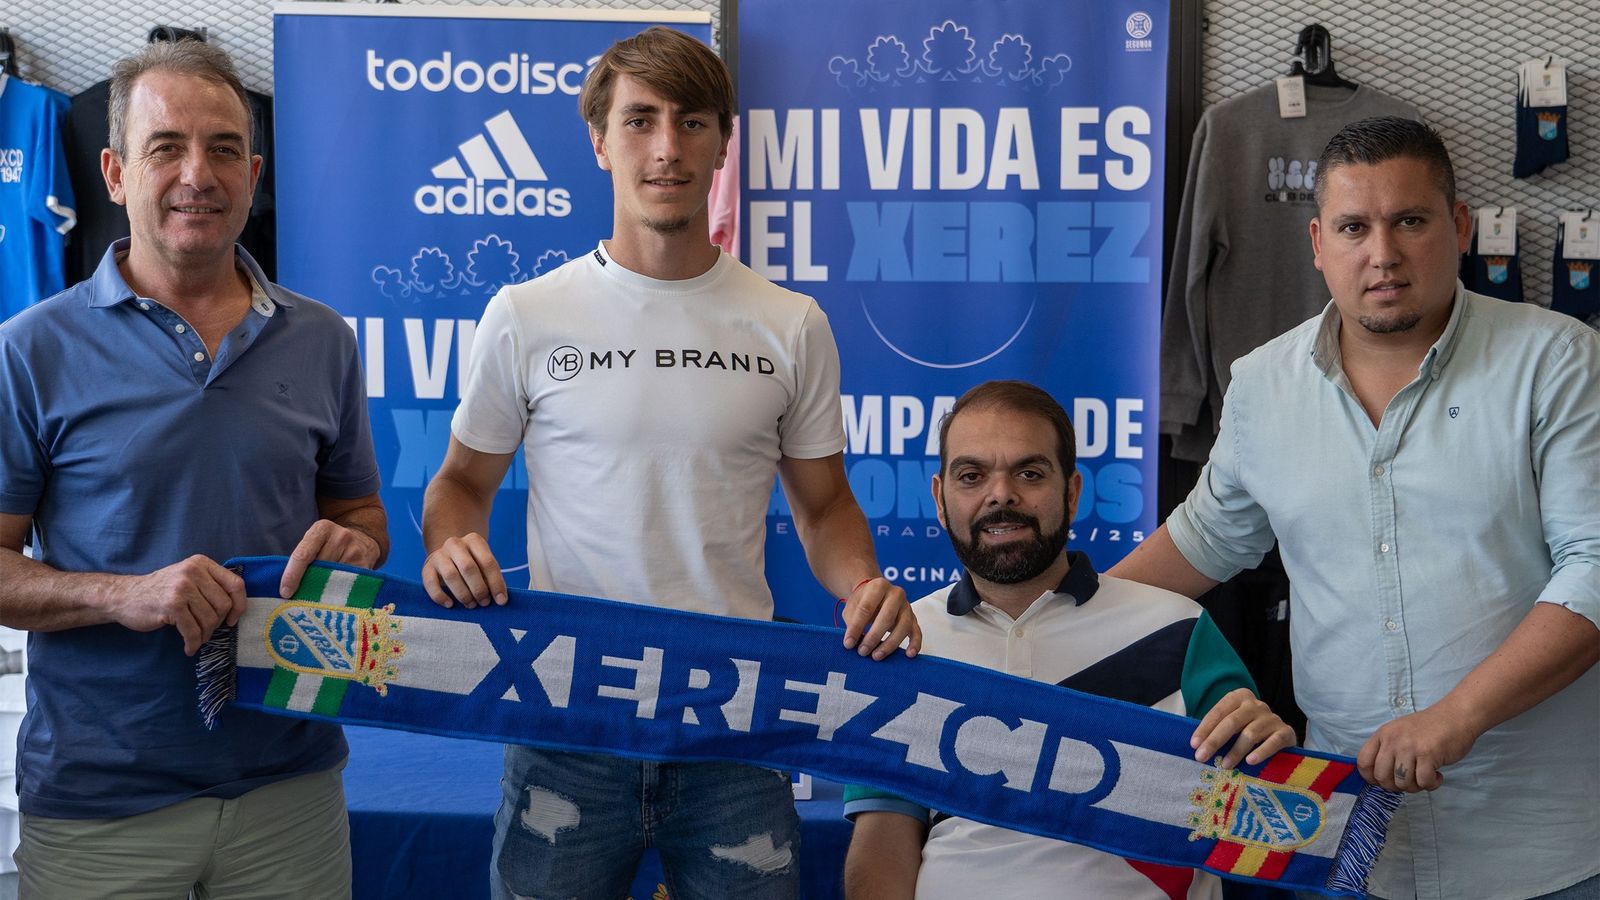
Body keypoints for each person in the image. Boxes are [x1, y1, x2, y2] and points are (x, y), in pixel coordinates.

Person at [418, 26, 919, 900]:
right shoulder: (527, 314)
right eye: (640, 120)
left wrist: (862, 584)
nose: (665, 148)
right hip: (567, 719)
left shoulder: (790, 323)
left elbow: (825, 506)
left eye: (691, 123)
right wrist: (450, 541)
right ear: (599, 140)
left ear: (724, 142)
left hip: (735, 723)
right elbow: (461, 484)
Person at [1111, 116, 1599, 900]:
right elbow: (1204, 540)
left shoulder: (1559, 361)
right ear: (1316, 242)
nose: (1383, 253)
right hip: (1344, 843)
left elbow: (1594, 571)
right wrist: (1031, 626)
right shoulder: (1264, 384)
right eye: (1353, 227)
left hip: (1538, 849)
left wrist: (1456, 717)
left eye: (1410, 220)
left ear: (1459, 226)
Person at [0, 41, 387, 898]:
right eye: (165, 146)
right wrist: (120, 595)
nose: (196, 175)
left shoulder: (324, 341)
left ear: (253, 175)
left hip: (293, 788)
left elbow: (362, 516)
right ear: (113, 172)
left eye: (221, 149)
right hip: (103, 806)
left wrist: (356, 549)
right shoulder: (30, 351)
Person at [841, 380, 1295, 900]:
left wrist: (1270, 760)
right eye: (972, 476)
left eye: (1029, 473)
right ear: (941, 500)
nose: (1001, 494)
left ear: (1072, 493)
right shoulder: (898, 647)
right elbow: (882, 845)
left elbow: (1267, 821)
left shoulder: (1180, 628)